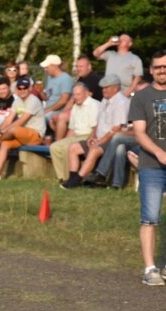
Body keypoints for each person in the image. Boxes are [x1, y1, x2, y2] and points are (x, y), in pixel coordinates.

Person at [129, 49, 166, 286]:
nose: (162, 70)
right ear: (151, 70)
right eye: (158, 67)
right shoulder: (141, 97)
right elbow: (139, 133)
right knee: (150, 217)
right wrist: (159, 152)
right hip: (152, 165)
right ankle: (150, 268)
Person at [61, 74, 130, 188]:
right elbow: (98, 123)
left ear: (116, 88)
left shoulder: (121, 102)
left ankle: (77, 181)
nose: (104, 90)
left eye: (107, 87)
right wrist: (92, 137)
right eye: (103, 87)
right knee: (73, 147)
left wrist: (100, 141)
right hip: (100, 138)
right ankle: (72, 177)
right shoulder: (104, 100)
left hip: (111, 140)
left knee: (94, 150)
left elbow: (117, 128)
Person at [0, 77, 46, 182]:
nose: (22, 90)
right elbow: (8, 121)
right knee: (5, 144)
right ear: (17, 89)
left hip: (35, 135)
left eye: (25, 88)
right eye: (20, 88)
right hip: (21, 134)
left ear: (30, 89)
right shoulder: (17, 101)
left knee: (13, 129)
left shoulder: (33, 100)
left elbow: (20, 121)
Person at [49, 83, 100, 181]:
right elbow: (72, 129)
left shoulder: (94, 105)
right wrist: (66, 140)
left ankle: (69, 177)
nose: (75, 97)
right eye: (74, 95)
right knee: (54, 146)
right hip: (76, 135)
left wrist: (90, 139)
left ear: (86, 93)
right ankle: (61, 177)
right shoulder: (75, 106)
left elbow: (95, 128)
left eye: (78, 94)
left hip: (88, 135)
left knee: (66, 147)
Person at [40, 54, 73, 132]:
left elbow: (63, 100)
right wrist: (41, 93)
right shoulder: (49, 77)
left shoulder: (65, 79)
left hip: (58, 110)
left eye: (47, 67)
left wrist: (48, 110)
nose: (45, 69)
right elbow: (48, 97)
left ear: (54, 66)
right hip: (48, 108)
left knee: (40, 120)